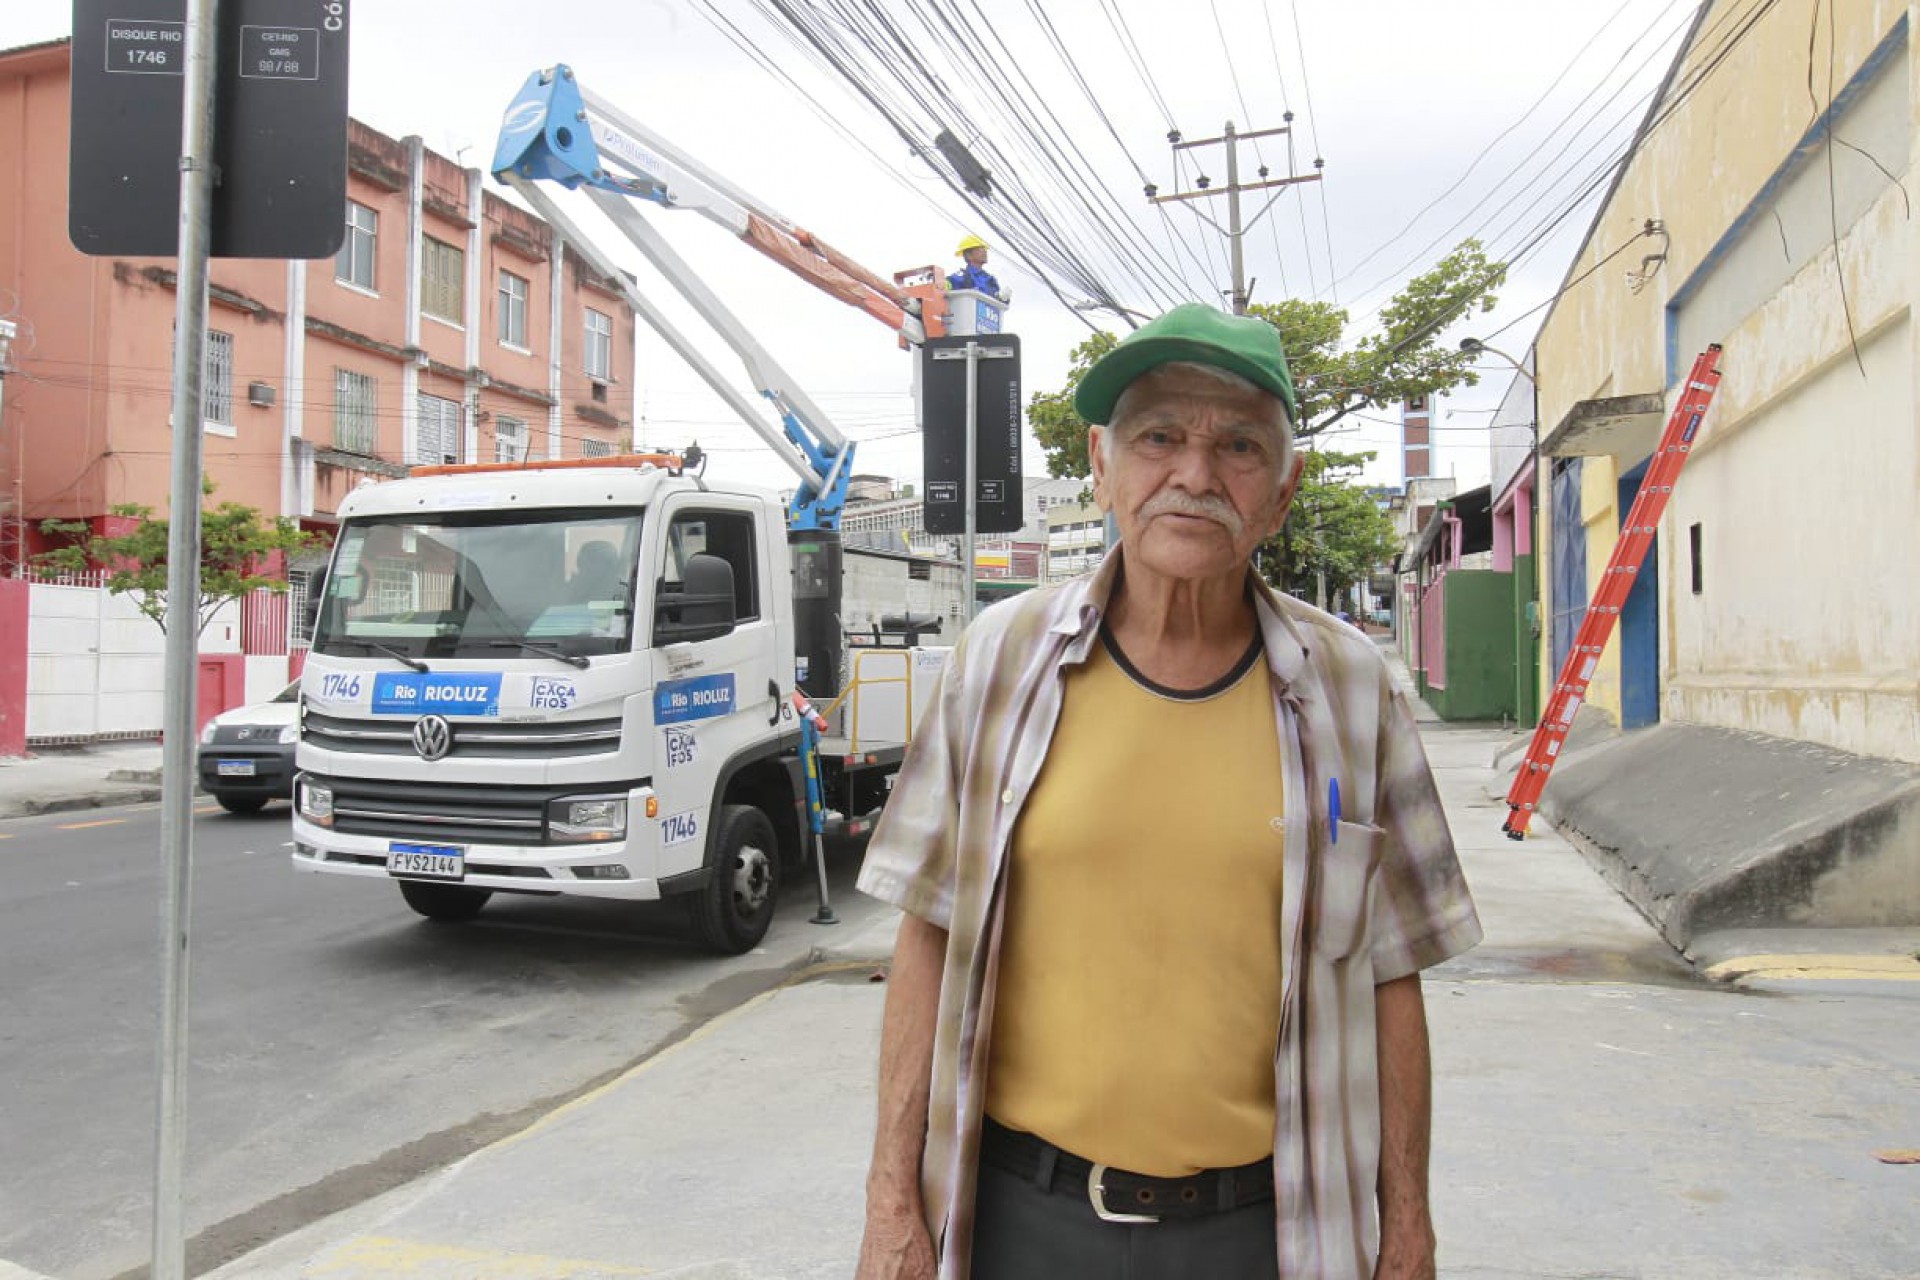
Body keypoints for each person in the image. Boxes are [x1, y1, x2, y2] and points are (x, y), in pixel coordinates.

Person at [853, 304, 1482, 1280]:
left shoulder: (1356, 690)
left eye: (1237, 444)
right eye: (1159, 437)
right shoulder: (996, 664)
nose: (1194, 473)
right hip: (1021, 1221)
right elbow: (928, 930)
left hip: (1269, 1230)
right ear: (1101, 466)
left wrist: (1408, 1226)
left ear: (1283, 490)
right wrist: (892, 1198)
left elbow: (1392, 972)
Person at [945, 234, 1007, 301]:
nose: (985, 251)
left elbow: (999, 303)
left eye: (984, 249)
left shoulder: (990, 280)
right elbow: (942, 289)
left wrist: (1005, 299)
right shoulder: (959, 277)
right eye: (980, 249)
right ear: (968, 255)